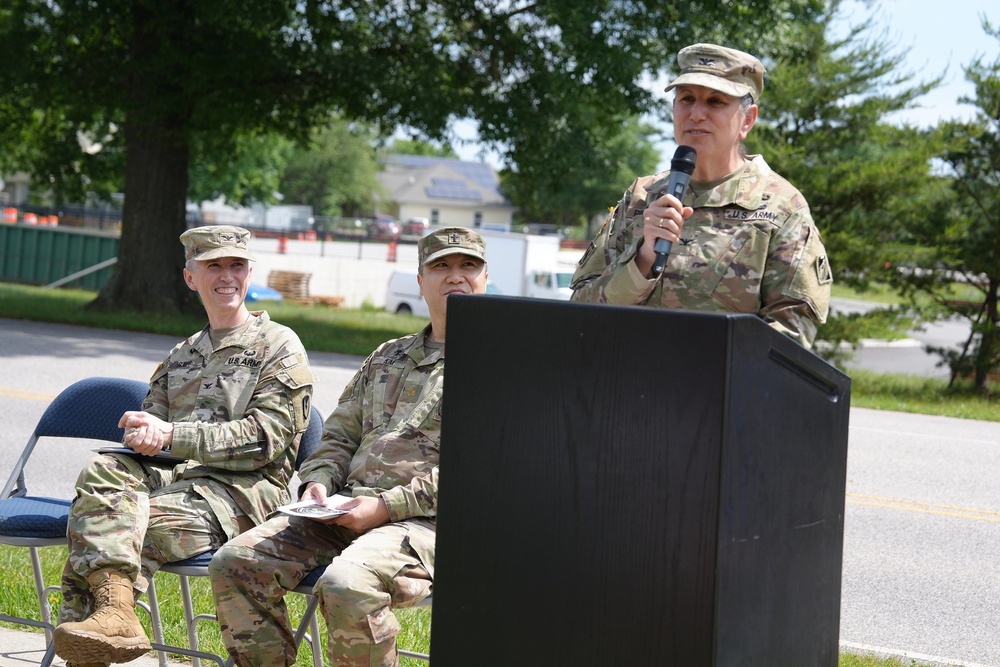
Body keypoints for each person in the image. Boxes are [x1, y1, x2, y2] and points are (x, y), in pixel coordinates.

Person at [209, 226, 489, 667]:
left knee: (347, 585)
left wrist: (383, 509)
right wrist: (317, 485)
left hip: (430, 525)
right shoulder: (387, 356)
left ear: (485, 277)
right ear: (420, 280)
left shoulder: (499, 363)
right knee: (236, 561)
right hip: (344, 511)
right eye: (441, 266)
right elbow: (338, 435)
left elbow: (483, 471)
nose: (455, 276)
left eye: (468, 266)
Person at [53, 225, 315, 667]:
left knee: (107, 528)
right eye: (214, 266)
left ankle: (99, 637)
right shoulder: (183, 354)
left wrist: (174, 435)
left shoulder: (279, 346)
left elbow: (265, 440)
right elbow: (152, 430)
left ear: (250, 273)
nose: (226, 276)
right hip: (178, 482)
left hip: (243, 493)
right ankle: (113, 618)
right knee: (103, 472)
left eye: (236, 265)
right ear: (191, 278)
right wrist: (143, 432)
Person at [570, 43, 832, 348]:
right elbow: (579, 307)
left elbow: (792, 334)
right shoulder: (641, 197)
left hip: (716, 391)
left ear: (747, 120)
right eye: (687, 99)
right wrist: (642, 261)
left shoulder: (781, 207)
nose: (696, 113)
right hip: (624, 385)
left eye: (715, 101)